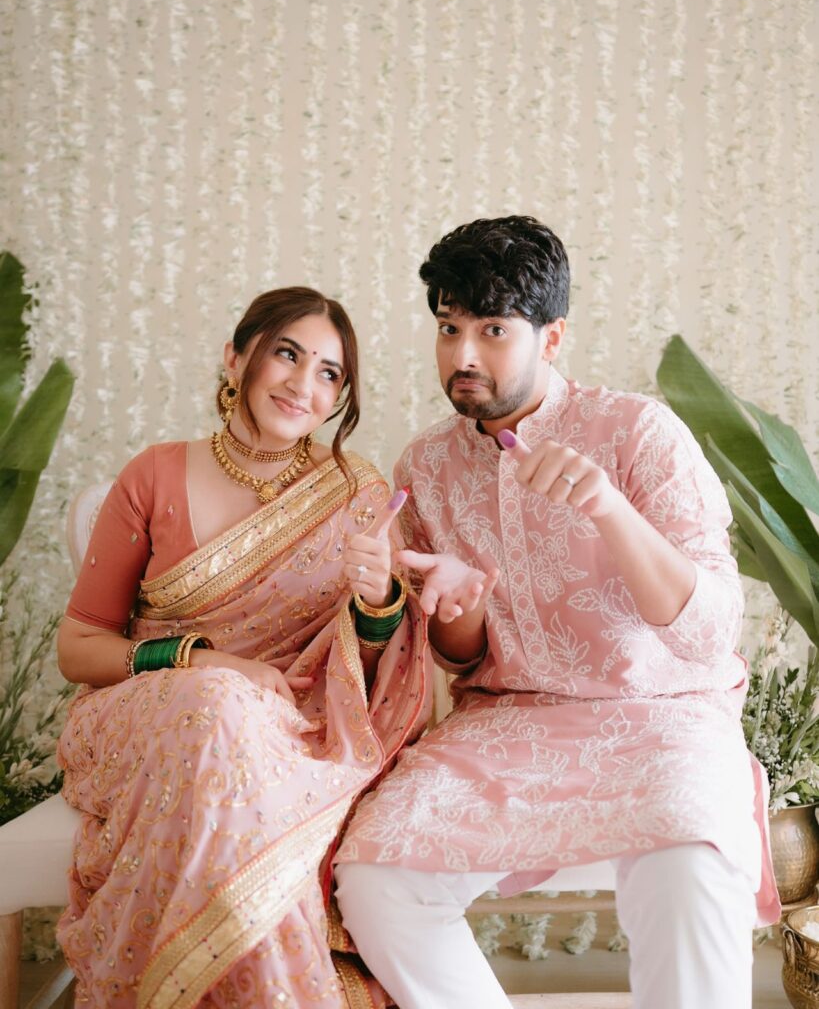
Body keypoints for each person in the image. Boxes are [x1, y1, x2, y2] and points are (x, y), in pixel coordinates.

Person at [335, 216, 779, 1009]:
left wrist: (608, 508)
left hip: (661, 716)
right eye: (448, 328)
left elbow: (709, 634)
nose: (462, 355)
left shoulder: (637, 431)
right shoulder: (425, 465)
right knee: (374, 874)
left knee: (692, 856)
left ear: (551, 336)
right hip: (506, 725)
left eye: (492, 330)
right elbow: (460, 658)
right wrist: (460, 606)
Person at [55, 286, 430, 1009]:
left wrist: (379, 602)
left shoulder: (355, 493)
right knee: (218, 706)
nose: (303, 383)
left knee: (233, 723)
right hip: (151, 718)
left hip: (295, 732)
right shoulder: (154, 473)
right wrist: (200, 663)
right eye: (287, 354)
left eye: (329, 372)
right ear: (234, 359)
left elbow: (373, 678)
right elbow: (79, 647)